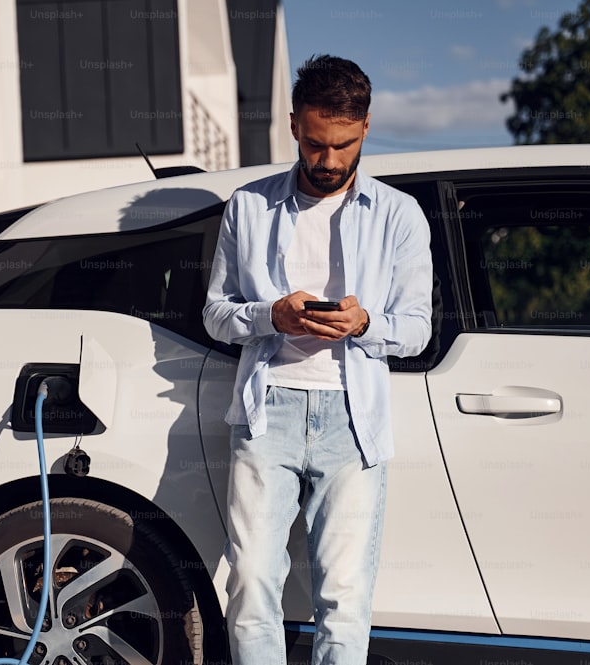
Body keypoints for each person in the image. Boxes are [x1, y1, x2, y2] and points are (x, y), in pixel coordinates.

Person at [202, 54, 433, 665]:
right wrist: (269, 316)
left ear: (365, 128)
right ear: (294, 127)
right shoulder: (247, 207)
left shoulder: (398, 215)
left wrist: (363, 323)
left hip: (352, 421)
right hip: (266, 410)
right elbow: (215, 312)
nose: (328, 161)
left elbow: (415, 329)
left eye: (343, 146)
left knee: (346, 598)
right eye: (314, 144)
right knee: (251, 582)